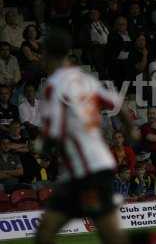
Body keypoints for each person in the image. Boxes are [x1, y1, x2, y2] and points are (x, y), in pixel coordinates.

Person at [35, 29, 135, 244]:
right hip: (86, 169)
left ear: (46, 54)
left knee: (110, 236)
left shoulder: (53, 87)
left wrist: (40, 145)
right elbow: (119, 104)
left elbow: (53, 131)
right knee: (45, 233)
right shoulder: (84, 79)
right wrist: (131, 130)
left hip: (87, 172)